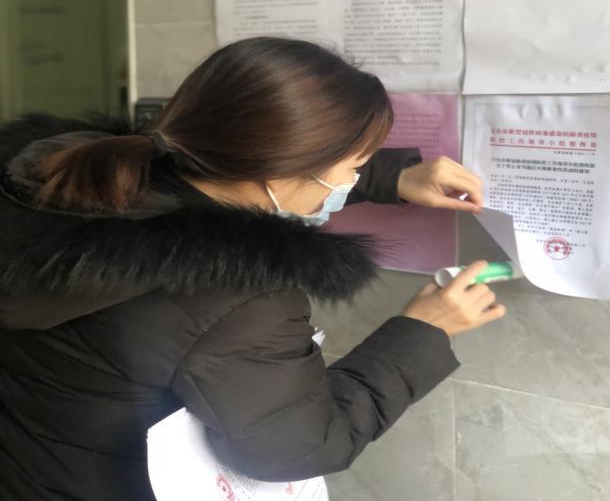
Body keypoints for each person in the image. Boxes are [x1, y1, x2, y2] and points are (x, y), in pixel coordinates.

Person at [0, 37, 505, 501]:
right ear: (288, 168)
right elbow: (301, 445)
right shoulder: (238, 301)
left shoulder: (68, 178)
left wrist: (389, 176)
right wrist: (423, 331)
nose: (352, 181)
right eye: (354, 168)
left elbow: (243, 186)